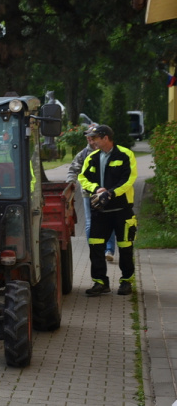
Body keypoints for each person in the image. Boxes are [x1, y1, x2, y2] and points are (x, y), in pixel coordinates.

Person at [78, 125, 138, 297]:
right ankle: (100, 282)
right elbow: (83, 178)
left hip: (121, 210)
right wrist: (97, 189)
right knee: (96, 246)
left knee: (125, 246)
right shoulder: (92, 157)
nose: (92, 141)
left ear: (105, 138)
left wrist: (111, 193)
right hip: (100, 211)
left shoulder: (125, 154)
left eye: (95, 137)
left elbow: (129, 179)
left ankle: (126, 281)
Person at [66, 133, 117, 261]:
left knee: (109, 220)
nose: (89, 138)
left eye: (92, 136)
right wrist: (71, 184)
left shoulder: (108, 152)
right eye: (87, 136)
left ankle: (109, 250)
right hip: (88, 193)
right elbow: (73, 170)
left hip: (107, 192)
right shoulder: (83, 154)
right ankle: (95, 250)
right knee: (90, 222)